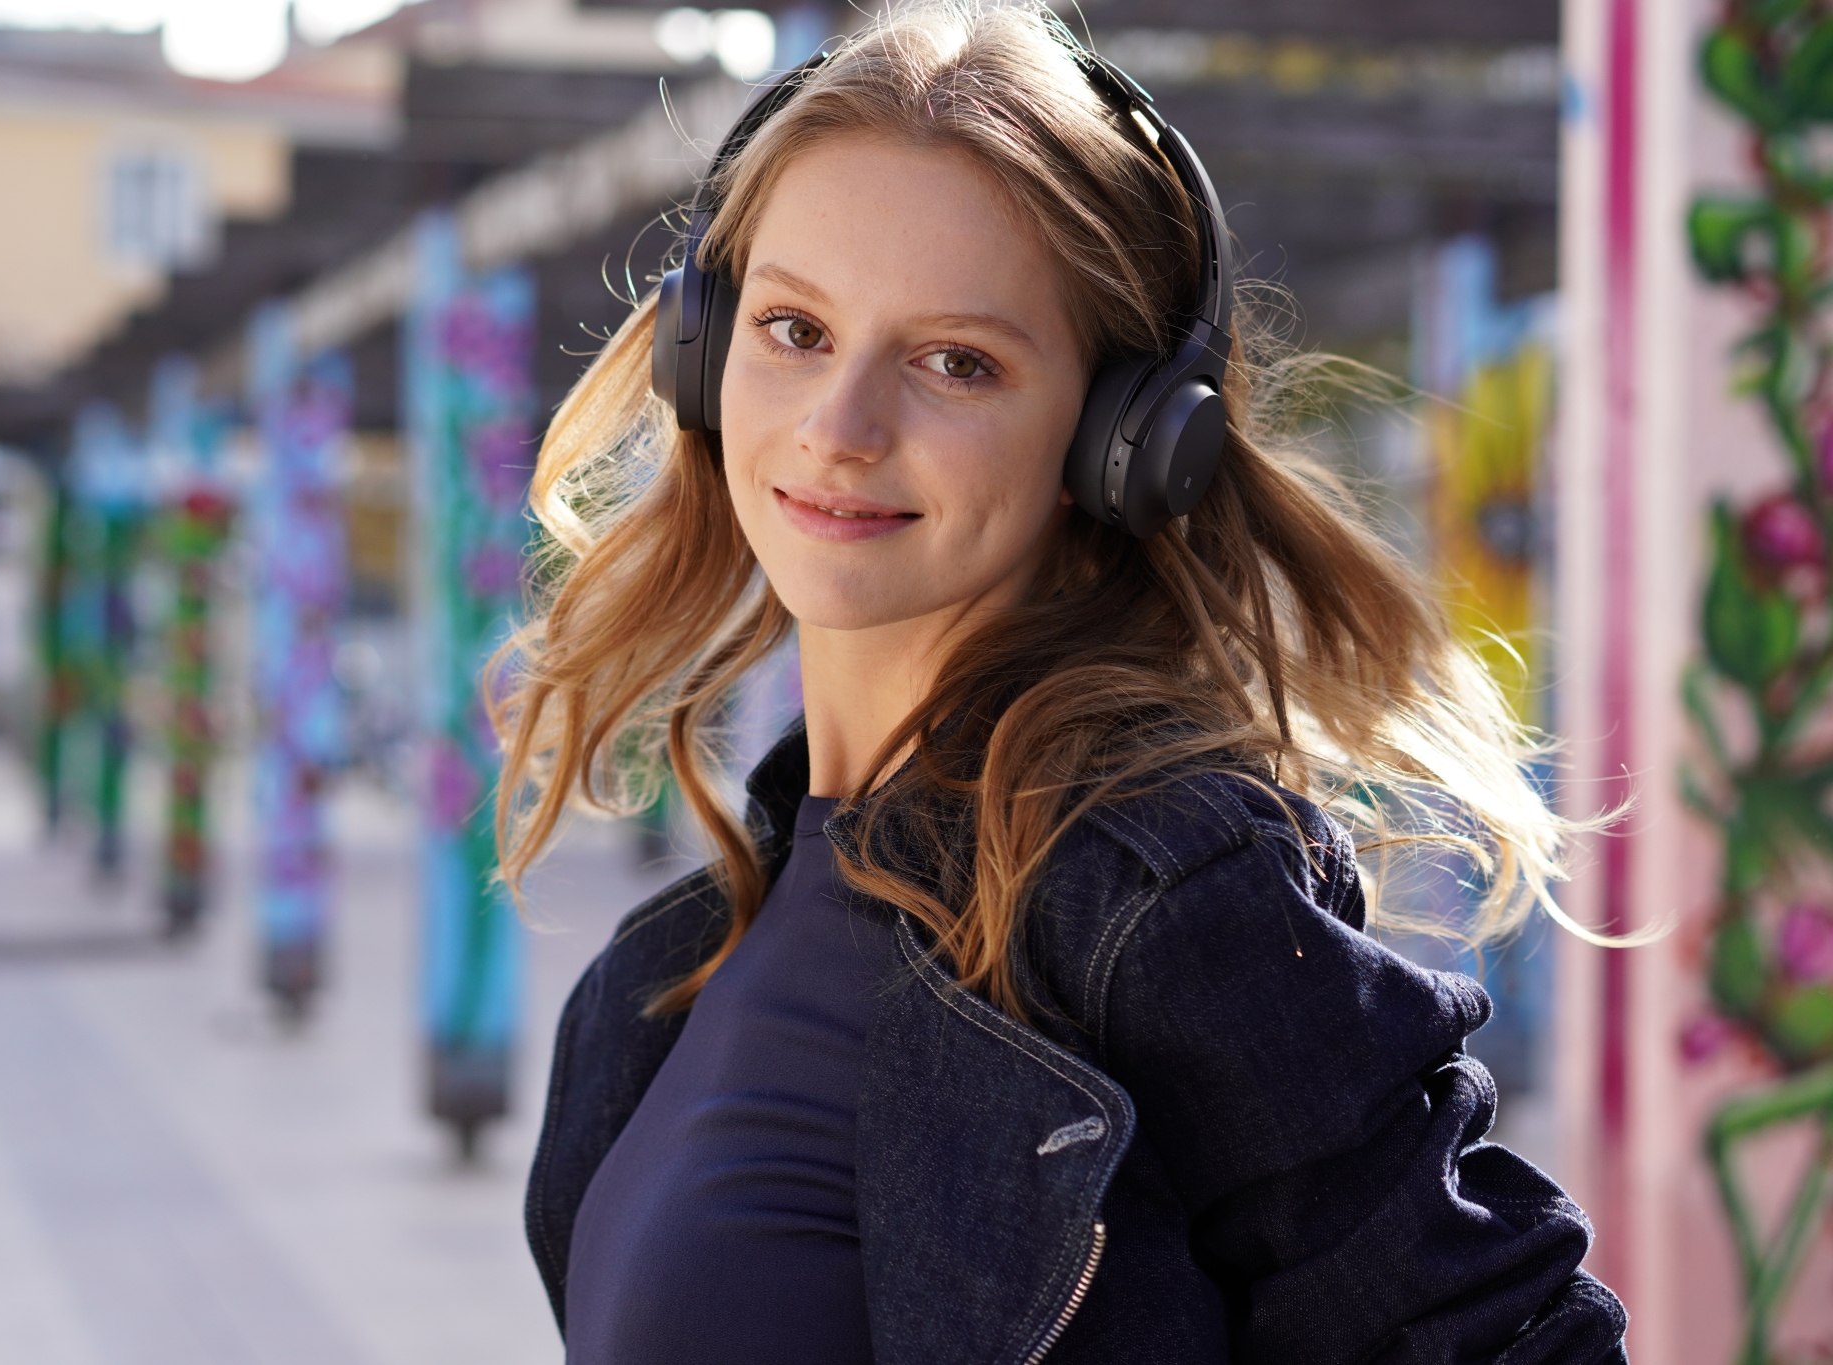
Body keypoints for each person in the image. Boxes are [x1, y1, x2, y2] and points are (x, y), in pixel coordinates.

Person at [492, 3, 1629, 1361]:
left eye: (956, 362)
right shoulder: (654, 984)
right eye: (795, 328)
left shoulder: (1154, 890)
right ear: (702, 352)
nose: (840, 429)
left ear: (1124, 439)